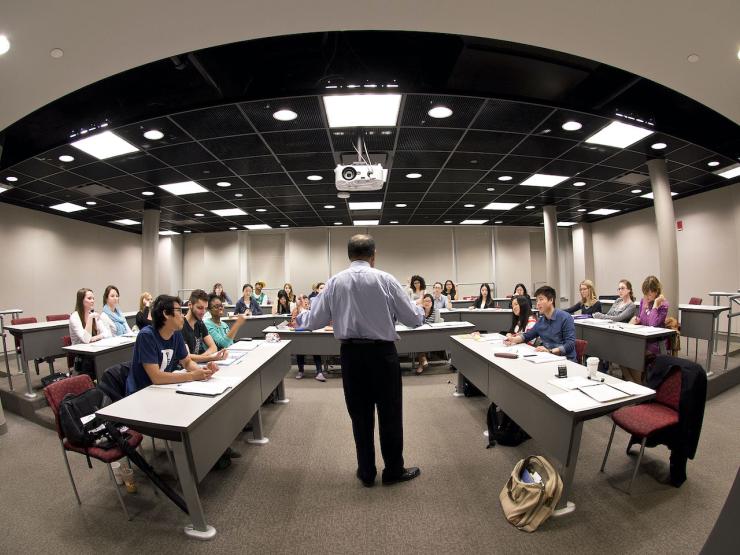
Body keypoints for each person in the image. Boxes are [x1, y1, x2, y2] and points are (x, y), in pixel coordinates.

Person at [296, 234, 424, 487]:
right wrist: (418, 307)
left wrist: (299, 316)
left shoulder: (334, 282)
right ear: (373, 256)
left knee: (360, 415)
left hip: (351, 356)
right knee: (390, 414)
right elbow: (413, 319)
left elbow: (316, 320)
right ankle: (393, 471)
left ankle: (366, 472)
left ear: (348, 255)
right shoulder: (386, 279)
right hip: (383, 355)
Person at [125, 295, 217, 395]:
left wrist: (202, 371)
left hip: (163, 389)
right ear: (166, 314)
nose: (183, 315)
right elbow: (156, 377)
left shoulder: (176, 333)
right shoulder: (146, 336)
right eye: (179, 311)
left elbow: (186, 362)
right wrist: (192, 376)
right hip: (141, 393)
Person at [505, 285, 576, 361]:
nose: (538, 303)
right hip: (547, 358)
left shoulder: (565, 317)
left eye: (541, 299)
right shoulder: (541, 321)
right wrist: (513, 339)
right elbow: (527, 336)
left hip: (565, 360)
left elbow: (570, 344)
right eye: (537, 301)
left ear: (551, 300)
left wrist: (550, 351)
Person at [621, 275, 669, 383]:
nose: (647, 296)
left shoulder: (663, 304)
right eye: (645, 293)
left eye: (649, 293)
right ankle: (632, 382)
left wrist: (655, 305)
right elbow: (642, 319)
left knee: (634, 355)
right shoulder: (644, 300)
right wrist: (637, 318)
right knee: (621, 354)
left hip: (655, 343)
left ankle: (638, 385)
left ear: (656, 291)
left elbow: (653, 324)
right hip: (642, 339)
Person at [69, 288, 111, 376]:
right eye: (89, 298)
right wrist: (90, 318)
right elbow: (86, 339)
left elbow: (107, 333)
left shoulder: (93, 314)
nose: (92, 301)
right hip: (82, 356)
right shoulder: (75, 317)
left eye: (93, 298)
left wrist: (95, 337)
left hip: (94, 350)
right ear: (81, 300)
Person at [181, 289, 228, 364]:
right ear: (190, 305)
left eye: (205, 308)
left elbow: (213, 347)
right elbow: (187, 356)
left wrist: (201, 358)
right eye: (200, 308)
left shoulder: (200, 323)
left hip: (196, 365)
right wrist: (209, 358)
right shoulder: (180, 326)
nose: (203, 312)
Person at [290, 294, 326, 382]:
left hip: (312, 334)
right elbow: (293, 322)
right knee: (300, 351)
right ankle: (301, 371)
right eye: (304, 302)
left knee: (316, 350)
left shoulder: (313, 310)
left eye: (307, 302)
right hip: (301, 335)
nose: (306, 304)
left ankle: (319, 372)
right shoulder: (296, 310)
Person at [415, 293, 440, 375]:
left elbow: (436, 324)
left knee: (421, 340)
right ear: (422, 302)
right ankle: (423, 360)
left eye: (429, 301)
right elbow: (417, 323)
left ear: (432, 303)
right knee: (419, 339)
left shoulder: (436, 311)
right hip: (421, 334)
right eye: (425, 301)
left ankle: (421, 361)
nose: (427, 303)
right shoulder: (419, 310)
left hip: (432, 335)